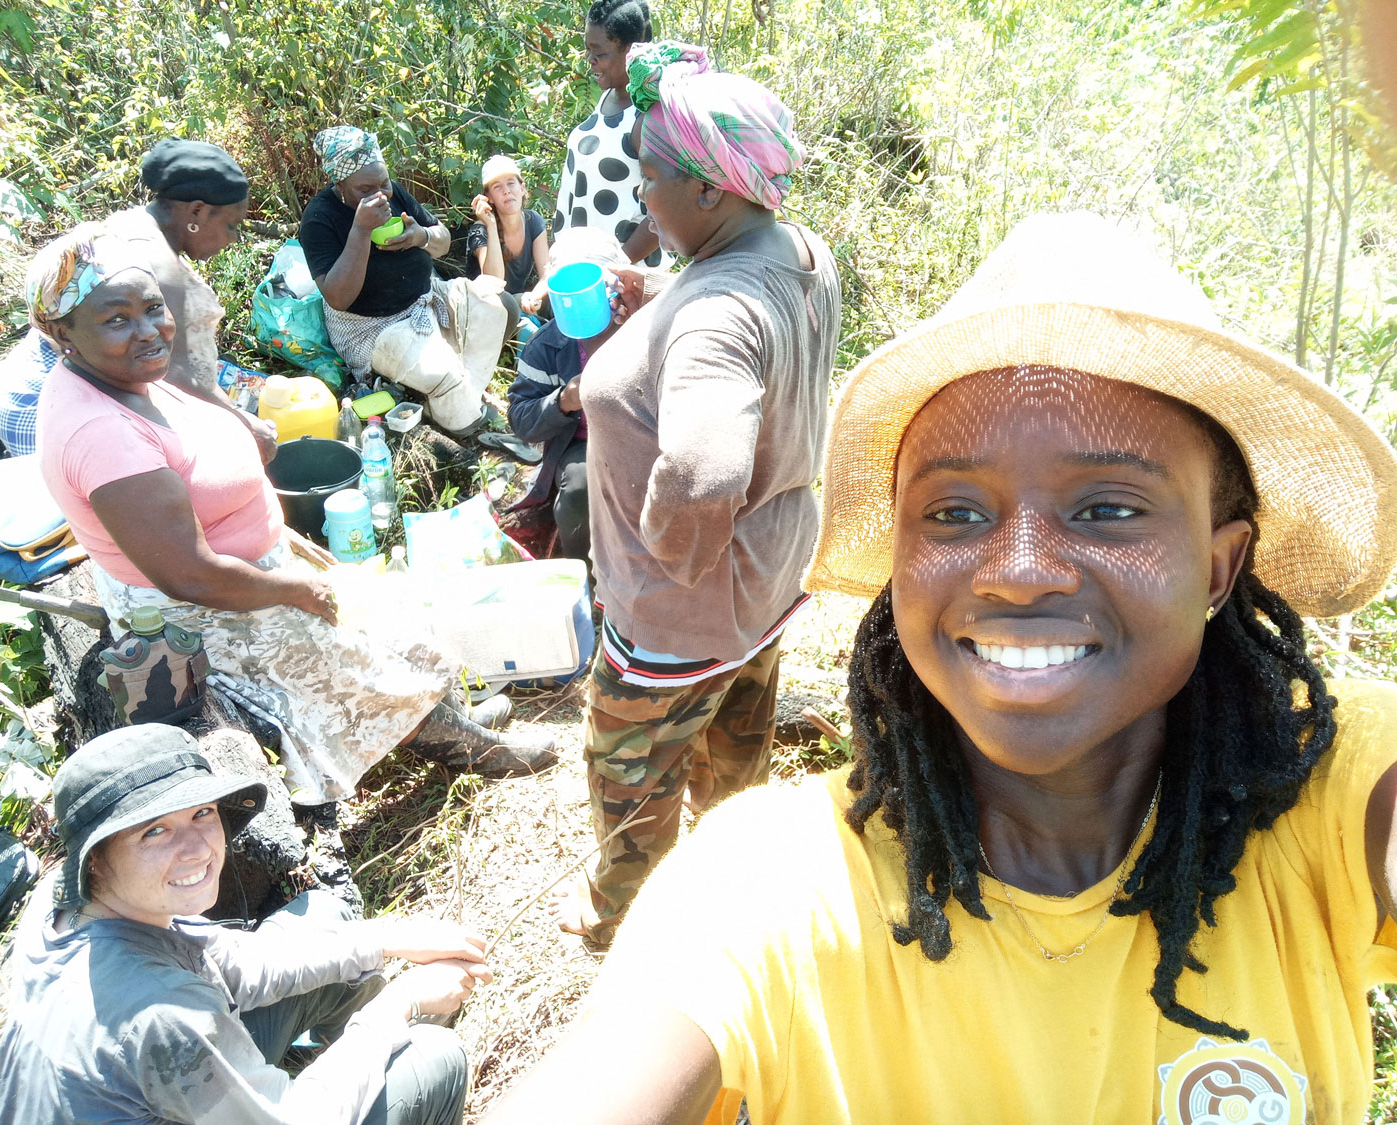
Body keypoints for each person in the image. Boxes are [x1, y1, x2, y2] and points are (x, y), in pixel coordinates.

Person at [483, 211, 1397, 1124]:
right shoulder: (772, 882)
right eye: (955, 513)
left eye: (1110, 508)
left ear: (1218, 563)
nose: (1021, 568)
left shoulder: (1325, 798)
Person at [27, 224, 556, 801]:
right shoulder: (97, 433)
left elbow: (184, 392)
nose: (148, 330)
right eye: (117, 320)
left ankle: (454, 713)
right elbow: (188, 573)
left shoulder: (123, 373)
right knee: (353, 658)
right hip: (203, 611)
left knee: (383, 613)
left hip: (252, 566)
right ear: (63, 334)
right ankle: (469, 748)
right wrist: (293, 590)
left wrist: (240, 423)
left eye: (153, 308)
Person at [549, 43, 841, 947]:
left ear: (712, 191)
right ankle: (733, 881)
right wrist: (668, 295)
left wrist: (666, 569)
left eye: (650, 178)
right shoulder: (794, 248)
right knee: (736, 747)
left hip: (676, 618)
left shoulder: (717, 314)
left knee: (632, 775)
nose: (642, 198)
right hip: (767, 582)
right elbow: (735, 313)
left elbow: (705, 469)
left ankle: (622, 920)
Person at [0, 724, 492, 1124]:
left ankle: (348, 1059)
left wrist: (389, 937)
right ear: (96, 860)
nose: (197, 848)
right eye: (154, 831)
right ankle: (381, 1058)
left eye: (202, 813)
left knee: (325, 917)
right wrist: (397, 1006)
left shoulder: (62, 902)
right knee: (435, 1059)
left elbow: (234, 961)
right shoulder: (160, 1012)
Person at [298, 125, 516, 436]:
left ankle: (448, 393)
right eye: (364, 189)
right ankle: (457, 413)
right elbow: (338, 298)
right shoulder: (319, 217)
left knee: (501, 307)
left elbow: (441, 240)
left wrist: (420, 236)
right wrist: (360, 230)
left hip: (427, 299)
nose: (379, 194)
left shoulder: (396, 193)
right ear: (340, 184)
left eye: (383, 183)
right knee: (445, 378)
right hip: (371, 326)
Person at [105, 138, 279, 464]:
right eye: (232, 225)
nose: (234, 238)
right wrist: (248, 429)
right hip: (110, 421)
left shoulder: (134, 223)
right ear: (197, 211)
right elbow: (172, 377)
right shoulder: (157, 266)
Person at [504, 227, 626, 564]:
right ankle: (586, 574)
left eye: (597, 283)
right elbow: (522, 420)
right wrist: (563, 401)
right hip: (584, 443)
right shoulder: (547, 345)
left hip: (642, 432)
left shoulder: (641, 323)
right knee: (578, 491)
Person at [551, 0, 665, 267]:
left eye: (599, 53)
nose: (590, 61)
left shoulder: (646, 115)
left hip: (625, 280)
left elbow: (664, 212)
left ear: (629, 51)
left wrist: (616, 268)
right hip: (589, 269)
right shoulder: (607, 98)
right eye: (587, 50)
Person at [467, 154, 550, 316]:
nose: (506, 191)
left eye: (511, 183)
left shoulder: (533, 221)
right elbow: (494, 283)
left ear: (522, 188)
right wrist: (490, 225)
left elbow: (547, 274)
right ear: (488, 197)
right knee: (529, 327)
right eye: (497, 187)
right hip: (486, 310)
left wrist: (534, 296)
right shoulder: (479, 231)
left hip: (521, 302)